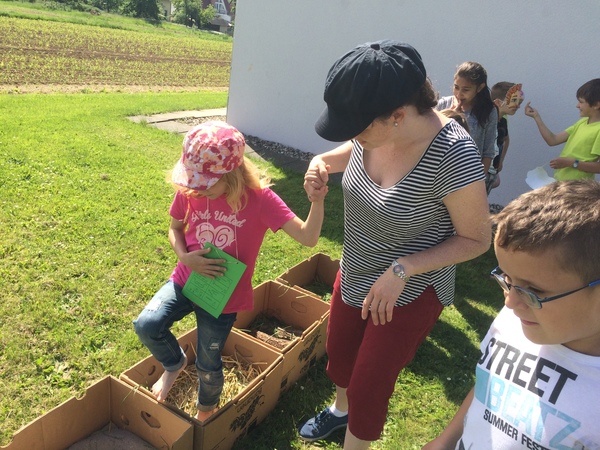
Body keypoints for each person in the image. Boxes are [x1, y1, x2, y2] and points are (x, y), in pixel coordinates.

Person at [299, 40, 491, 449]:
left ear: (398, 116)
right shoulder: (376, 133)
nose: (355, 134)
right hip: (356, 272)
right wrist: (322, 163)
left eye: (359, 125)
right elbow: (353, 149)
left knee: (369, 384)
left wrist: (403, 268)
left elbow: (477, 239)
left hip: (409, 290)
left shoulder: (454, 156)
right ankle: (339, 413)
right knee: (341, 359)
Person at [133, 121, 327, 422]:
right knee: (147, 324)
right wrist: (185, 257)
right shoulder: (191, 189)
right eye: (192, 181)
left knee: (209, 364)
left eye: (205, 183)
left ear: (232, 174)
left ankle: (204, 414)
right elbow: (175, 229)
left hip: (222, 298)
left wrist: (317, 201)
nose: (195, 188)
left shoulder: (261, 200)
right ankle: (174, 363)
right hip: (186, 279)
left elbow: (308, 238)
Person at [423, 180, 600, 449]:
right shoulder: (518, 320)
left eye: (535, 290)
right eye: (507, 278)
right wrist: (445, 441)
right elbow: (490, 383)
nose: (510, 302)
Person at [436, 62, 499, 192]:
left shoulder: (488, 111)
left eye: (466, 90)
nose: (459, 94)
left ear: (480, 88)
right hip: (440, 176)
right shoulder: (443, 104)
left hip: (469, 176)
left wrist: (478, 182)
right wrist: (451, 115)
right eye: (456, 87)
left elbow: (488, 151)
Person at [524, 78, 600, 180]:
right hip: (563, 183)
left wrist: (570, 163)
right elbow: (552, 140)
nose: (577, 105)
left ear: (596, 105)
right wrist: (536, 117)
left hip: (578, 187)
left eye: (581, 102)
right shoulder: (582, 122)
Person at [488, 82, 524, 192]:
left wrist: (501, 160)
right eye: (514, 101)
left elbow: (506, 139)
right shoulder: (486, 121)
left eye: (520, 102)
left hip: (492, 170)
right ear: (498, 102)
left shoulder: (503, 120)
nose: (518, 105)